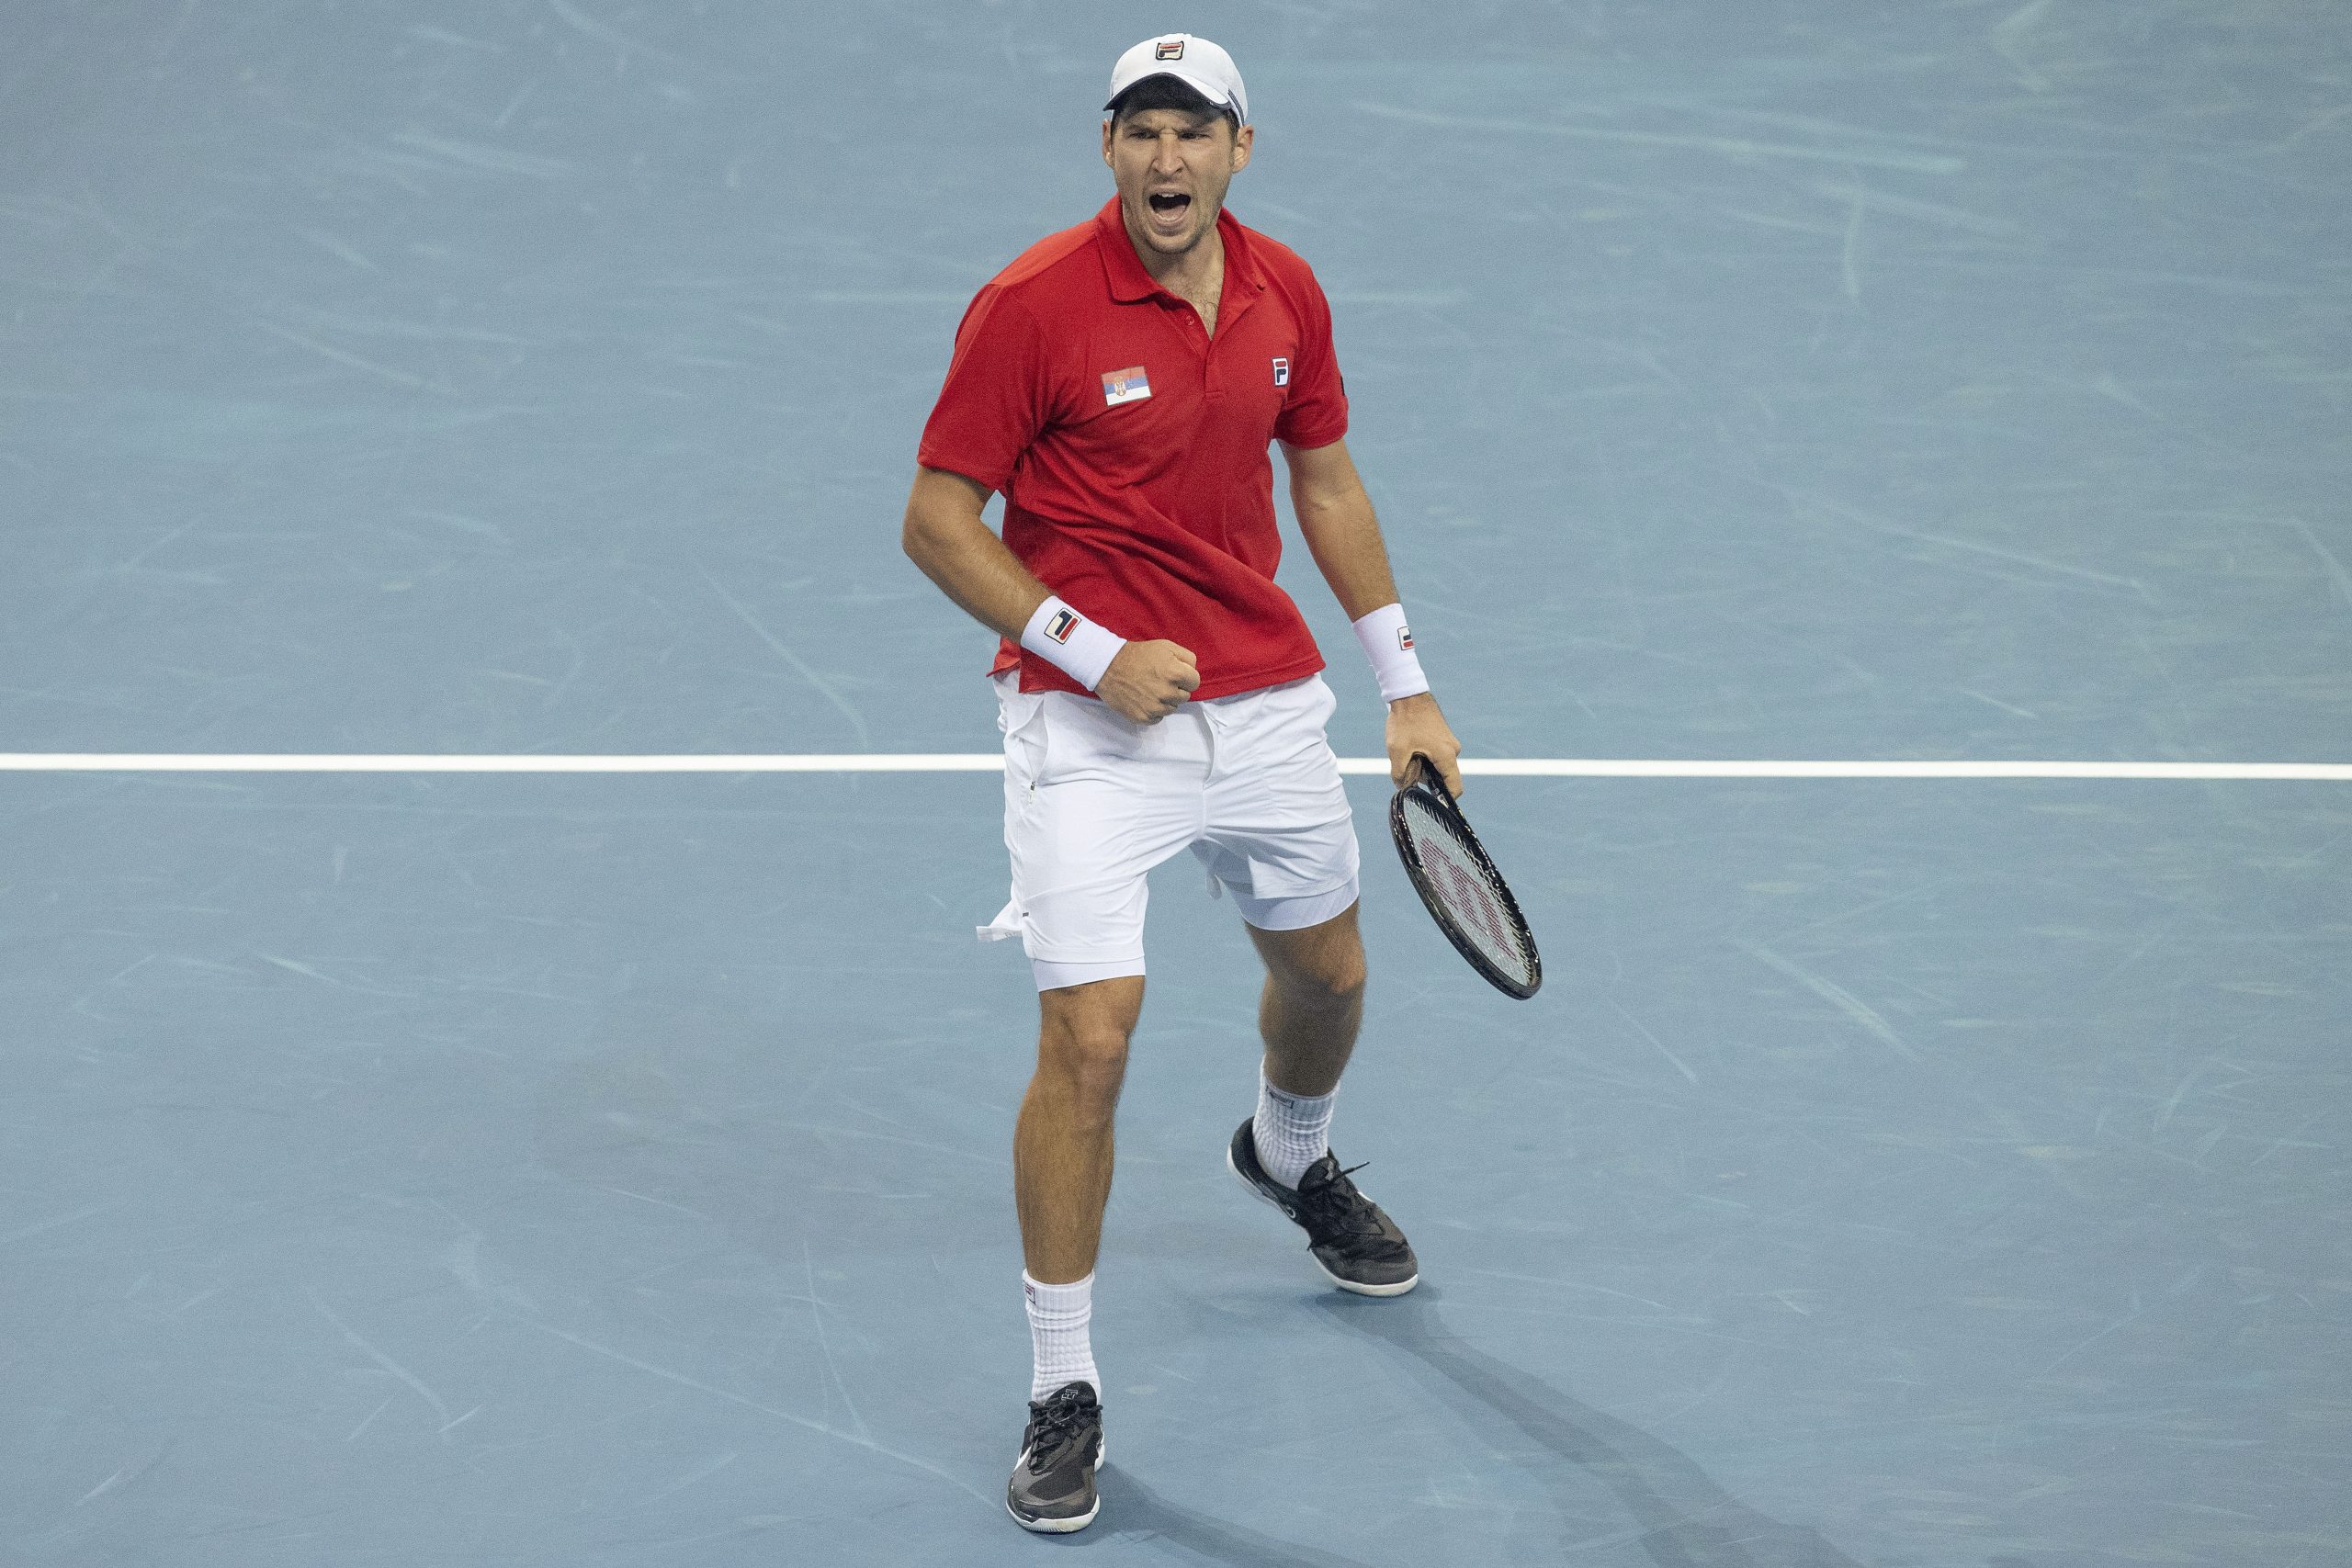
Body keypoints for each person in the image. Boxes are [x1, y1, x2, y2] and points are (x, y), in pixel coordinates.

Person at [900, 32, 1464, 1535]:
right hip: (1090, 725)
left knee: (1331, 980)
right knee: (1091, 1037)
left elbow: (1324, 478)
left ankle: (1287, 1157)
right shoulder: (1032, 307)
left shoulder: (1288, 292)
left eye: (1192, 132)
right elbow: (938, 519)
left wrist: (1402, 680)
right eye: (1139, 132)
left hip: (1268, 702)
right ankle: (1062, 1389)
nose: (1167, 159)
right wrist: (1085, 648)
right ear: (1108, 151)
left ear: (1238, 148)